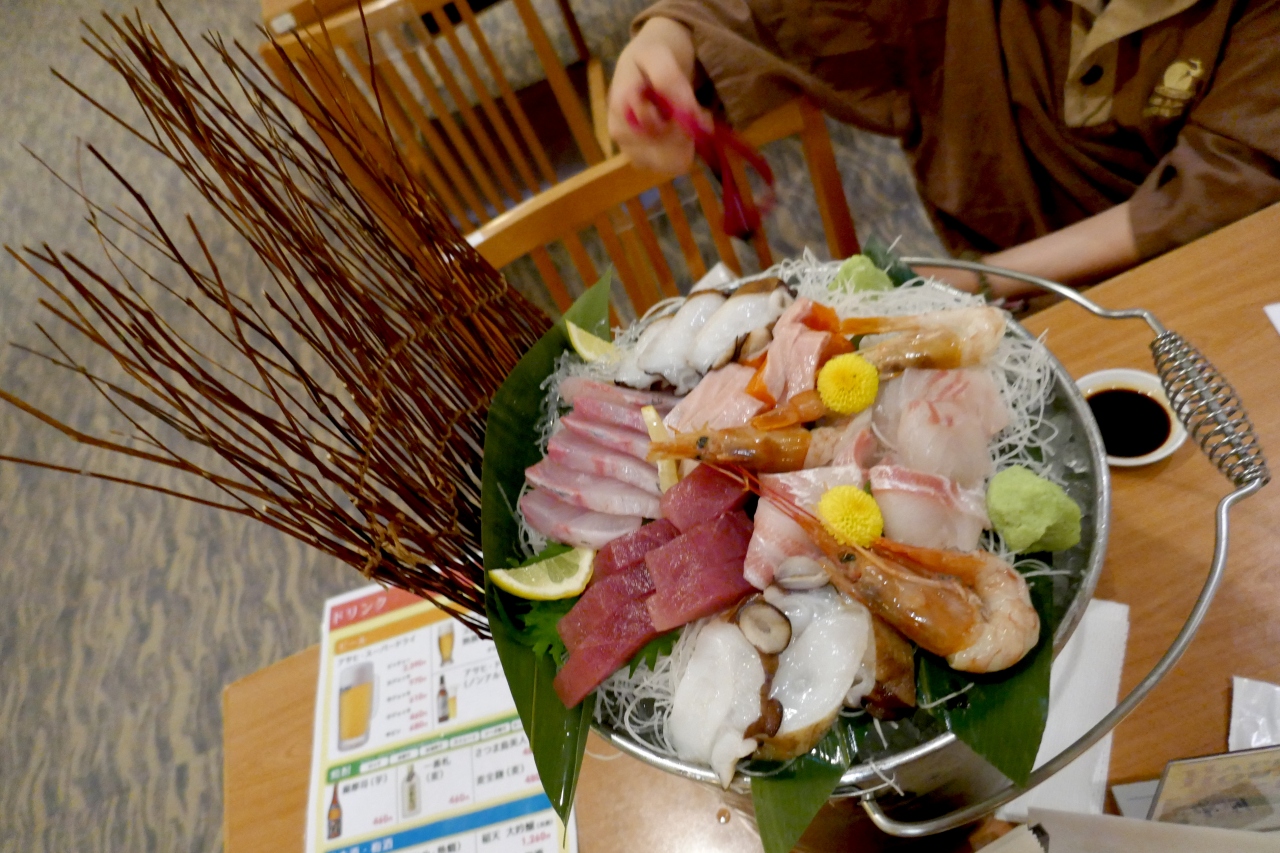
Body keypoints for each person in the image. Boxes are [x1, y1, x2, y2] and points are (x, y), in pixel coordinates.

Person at [606, 0, 1280, 298]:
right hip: (1001, 294)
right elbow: (774, 13)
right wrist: (668, 40)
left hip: (1207, 285)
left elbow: (1225, 184)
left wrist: (968, 281)